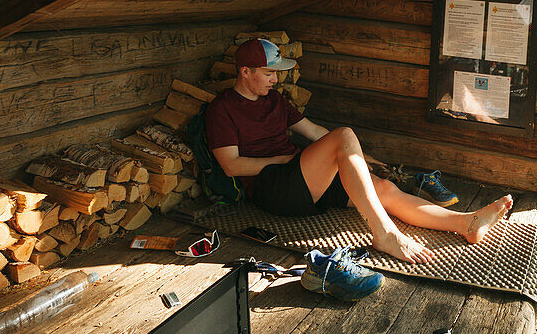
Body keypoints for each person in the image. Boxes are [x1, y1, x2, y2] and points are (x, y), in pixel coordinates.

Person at [205, 38, 513, 264]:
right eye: (268, 73)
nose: (276, 79)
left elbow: (315, 134)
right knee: (344, 135)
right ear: (245, 72)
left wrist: (361, 159)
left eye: (277, 73)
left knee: (383, 188)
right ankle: (385, 235)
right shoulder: (222, 109)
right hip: (273, 189)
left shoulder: (275, 100)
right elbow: (231, 166)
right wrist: (285, 159)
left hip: (302, 178)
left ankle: (465, 223)